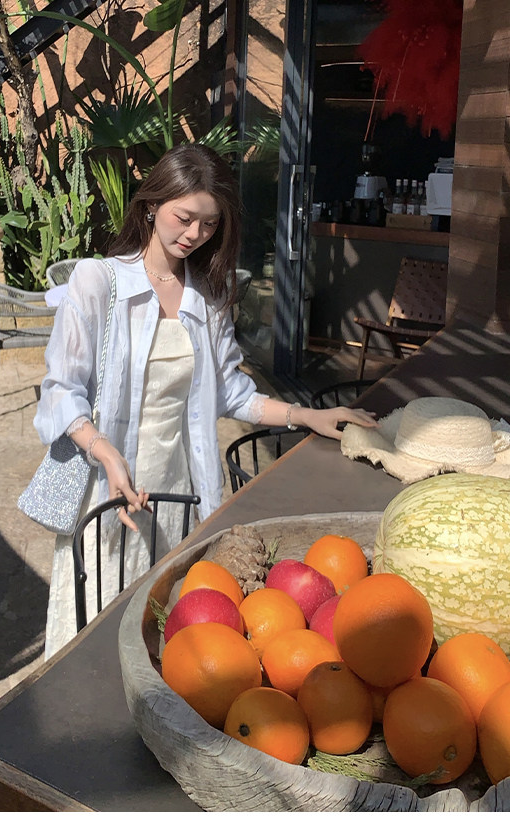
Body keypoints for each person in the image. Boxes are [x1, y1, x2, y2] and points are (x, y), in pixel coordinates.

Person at [33, 143, 378, 658]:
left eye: (210, 224)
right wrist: (105, 454)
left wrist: (308, 415)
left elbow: (231, 393)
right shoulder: (98, 282)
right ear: (152, 204)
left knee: (161, 628)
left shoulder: (208, 297)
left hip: (177, 490)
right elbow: (62, 390)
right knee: (96, 634)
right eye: (184, 217)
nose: (194, 234)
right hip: (108, 484)